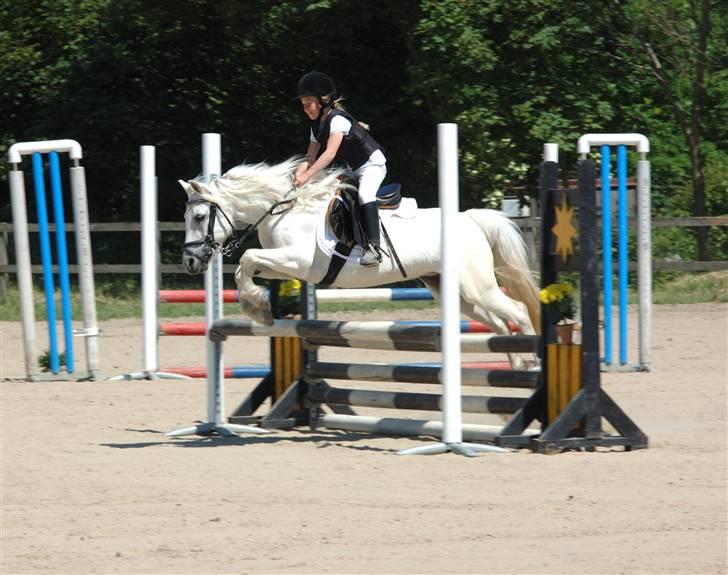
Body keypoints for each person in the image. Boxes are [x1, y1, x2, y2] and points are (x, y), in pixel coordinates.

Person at [292, 70, 386, 266]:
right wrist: (299, 174)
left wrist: (307, 175)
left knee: (365, 195)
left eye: (308, 103)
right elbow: (310, 156)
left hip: (372, 164)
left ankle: (374, 248)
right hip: (354, 169)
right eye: (303, 105)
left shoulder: (338, 120)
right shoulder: (315, 126)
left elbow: (329, 154)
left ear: (323, 100)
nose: (305, 109)